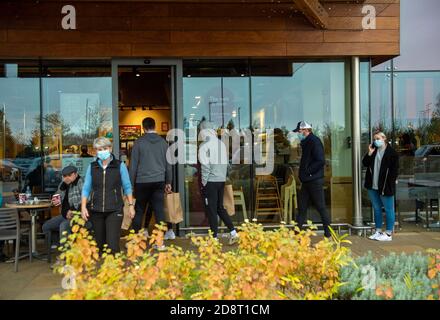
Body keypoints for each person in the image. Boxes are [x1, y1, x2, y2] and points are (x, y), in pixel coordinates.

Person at [81, 137, 135, 253]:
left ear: (110, 149)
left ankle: (115, 267)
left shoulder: (119, 166)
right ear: (96, 151)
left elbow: (127, 186)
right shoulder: (92, 167)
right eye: (99, 149)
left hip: (114, 210)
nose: (102, 151)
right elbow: (86, 188)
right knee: (100, 246)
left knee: (112, 245)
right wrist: (83, 206)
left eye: (105, 148)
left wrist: (130, 205)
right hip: (96, 210)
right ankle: (103, 270)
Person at [129, 117, 174, 243]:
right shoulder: (163, 143)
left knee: (139, 210)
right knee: (159, 210)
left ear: (143, 127)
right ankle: (160, 242)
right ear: (155, 126)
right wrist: (168, 182)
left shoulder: (138, 142)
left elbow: (133, 166)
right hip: (159, 181)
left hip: (141, 182)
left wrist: (130, 185)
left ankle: (135, 240)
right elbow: (168, 165)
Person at [198, 120, 238, 244]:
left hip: (210, 181)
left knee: (211, 210)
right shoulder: (221, 144)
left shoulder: (204, 145)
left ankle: (214, 239)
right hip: (221, 180)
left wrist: (204, 183)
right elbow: (225, 163)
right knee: (220, 208)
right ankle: (233, 233)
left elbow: (205, 166)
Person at [293, 121, 331, 238]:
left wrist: (307, 172)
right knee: (302, 208)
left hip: (314, 181)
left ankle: (328, 234)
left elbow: (320, 160)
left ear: (306, 130)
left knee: (320, 207)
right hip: (307, 181)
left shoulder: (314, 141)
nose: (298, 134)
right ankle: (297, 234)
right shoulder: (306, 142)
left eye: (299, 131)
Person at [363, 131, 399, 242]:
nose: (376, 141)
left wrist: (390, 184)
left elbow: (394, 171)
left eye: (378, 138)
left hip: (385, 186)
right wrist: (369, 153)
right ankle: (378, 231)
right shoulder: (374, 151)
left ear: (384, 138)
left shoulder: (392, 153)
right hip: (373, 185)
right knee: (377, 209)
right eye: (374, 139)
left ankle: (388, 234)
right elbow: (365, 163)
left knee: (389, 209)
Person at [42, 165, 83, 242]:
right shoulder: (62, 184)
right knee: (46, 226)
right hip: (64, 215)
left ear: (76, 174)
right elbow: (57, 197)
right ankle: (55, 246)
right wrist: (54, 201)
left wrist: (73, 211)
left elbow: (86, 200)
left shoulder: (80, 182)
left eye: (69, 175)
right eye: (64, 176)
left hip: (78, 216)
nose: (66, 178)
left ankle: (66, 251)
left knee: (63, 226)